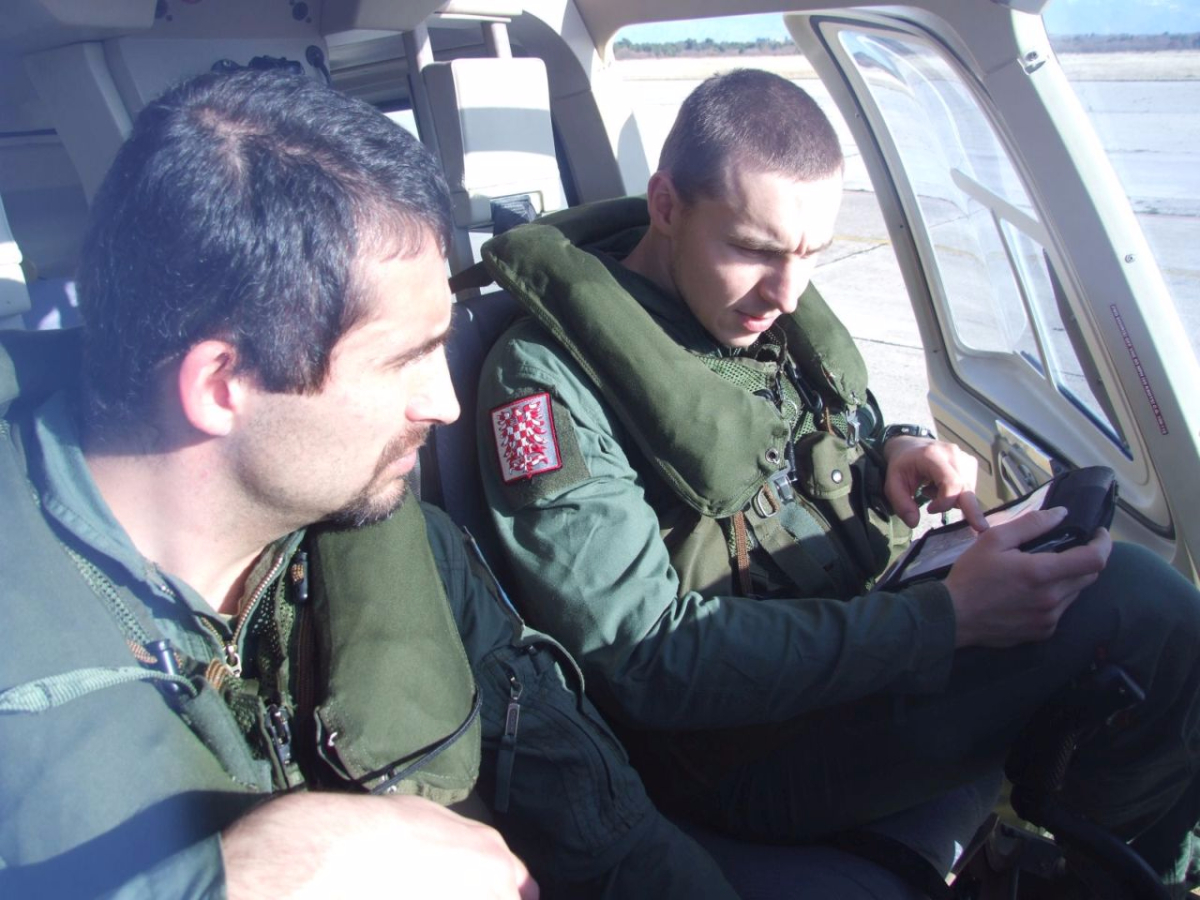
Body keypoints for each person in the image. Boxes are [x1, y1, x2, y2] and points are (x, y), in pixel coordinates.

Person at [0, 68, 740, 900]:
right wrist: (234, 881)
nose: (446, 403)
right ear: (220, 384)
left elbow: (609, 833)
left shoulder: (402, 543)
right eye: (404, 360)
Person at [475, 68, 1200, 893]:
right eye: (755, 249)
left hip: (861, 643)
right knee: (1145, 608)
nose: (787, 293)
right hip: (740, 751)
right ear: (666, 206)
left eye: (810, 254)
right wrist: (948, 619)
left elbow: (817, 434)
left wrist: (897, 449)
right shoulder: (545, 383)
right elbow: (643, 660)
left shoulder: (745, 307)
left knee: (1109, 587)